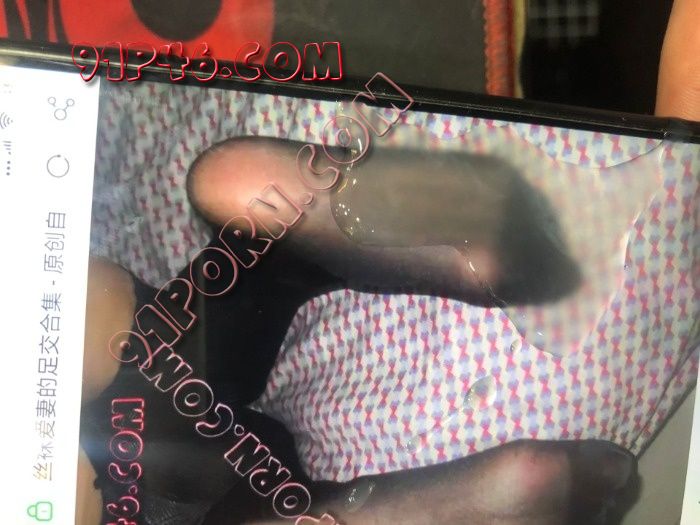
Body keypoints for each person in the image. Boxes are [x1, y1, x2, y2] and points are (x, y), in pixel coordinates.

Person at [77, 1, 700, 524]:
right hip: (157, 390)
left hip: (191, 477)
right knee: (103, 343)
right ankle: (485, 226)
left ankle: (390, 514)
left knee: (126, 453)